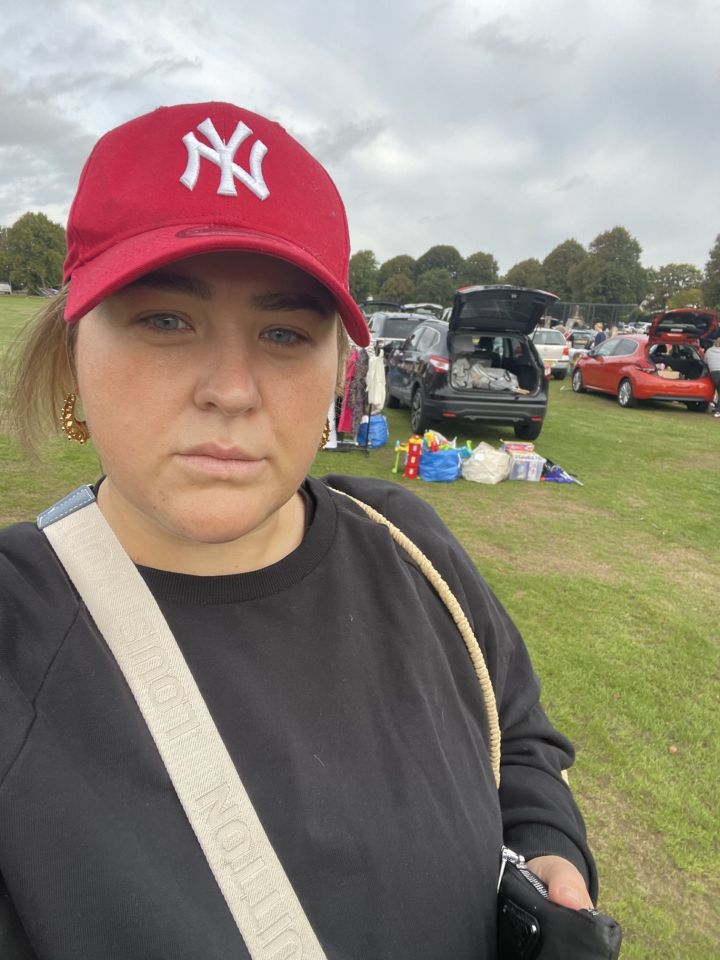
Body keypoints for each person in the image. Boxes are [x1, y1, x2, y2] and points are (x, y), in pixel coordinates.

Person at [0, 102, 597, 959]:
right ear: (71, 353)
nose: (232, 389)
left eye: (284, 332)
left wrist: (547, 846)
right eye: (166, 320)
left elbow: (519, 735)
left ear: (335, 371)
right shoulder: (17, 630)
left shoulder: (407, 541)